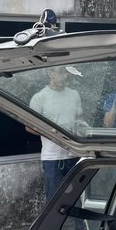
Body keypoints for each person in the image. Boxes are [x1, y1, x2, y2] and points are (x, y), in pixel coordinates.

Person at [27, 65, 82, 201]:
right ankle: (54, 223)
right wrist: (52, 134)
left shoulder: (74, 94)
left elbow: (80, 120)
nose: (64, 75)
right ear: (50, 73)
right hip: (52, 158)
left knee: (75, 199)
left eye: (66, 72)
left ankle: (77, 223)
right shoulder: (40, 97)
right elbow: (29, 127)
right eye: (60, 72)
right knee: (54, 200)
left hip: (74, 154)